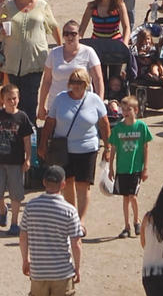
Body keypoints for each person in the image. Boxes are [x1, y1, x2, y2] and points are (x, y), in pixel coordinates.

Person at [18, 163, 83, 296]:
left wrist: (25, 260)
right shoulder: (69, 210)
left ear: (44, 182)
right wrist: (78, 268)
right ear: (63, 184)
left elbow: (23, 235)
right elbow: (76, 243)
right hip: (61, 271)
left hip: (38, 269)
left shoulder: (31, 207)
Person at [39, 67, 110, 232]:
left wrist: (108, 146)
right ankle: (71, 218)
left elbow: (104, 124)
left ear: (86, 84)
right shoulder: (60, 99)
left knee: (83, 185)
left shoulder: (94, 100)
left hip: (88, 148)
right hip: (64, 149)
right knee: (67, 182)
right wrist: (43, 144)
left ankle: (80, 221)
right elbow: (49, 123)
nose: (76, 86)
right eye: (73, 82)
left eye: (79, 82)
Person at [1, 0, 61, 124]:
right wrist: (1, 29)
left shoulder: (42, 5)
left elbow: (53, 26)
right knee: (15, 99)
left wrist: (61, 48)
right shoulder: (8, 7)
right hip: (13, 61)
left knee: (30, 98)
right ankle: (17, 132)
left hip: (35, 59)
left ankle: (30, 132)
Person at [0, 81, 34, 236]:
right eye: (9, 99)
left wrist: (28, 158)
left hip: (16, 161)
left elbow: (27, 140)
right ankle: (2, 209)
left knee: (16, 194)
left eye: (14, 98)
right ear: (3, 100)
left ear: (18, 99)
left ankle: (15, 223)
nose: (12, 101)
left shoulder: (22, 117)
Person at [38, 20, 105, 121]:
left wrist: (99, 104)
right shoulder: (54, 53)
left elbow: (98, 79)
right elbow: (46, 81)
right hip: (56, 105)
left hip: (81, 105)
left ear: (79, 35)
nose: (69, 37)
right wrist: (41, 105)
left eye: (73, 34)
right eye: (66, 34)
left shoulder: (89, 52)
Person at [107, 94, 153, 239]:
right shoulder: (118, 128)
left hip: (136, 168)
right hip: (122, 168)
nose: (126, 112)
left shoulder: (141, 127)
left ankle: (136, 221)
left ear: (136, 110)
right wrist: (111, 167)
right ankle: (126, 226)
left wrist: (145, 168)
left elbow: (146, 147)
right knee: (125, 197)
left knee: (133, 196)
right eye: (124, 109)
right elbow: (113, 147)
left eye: (129, 109)